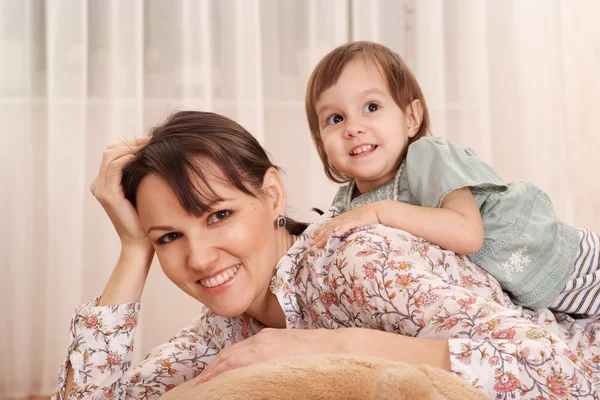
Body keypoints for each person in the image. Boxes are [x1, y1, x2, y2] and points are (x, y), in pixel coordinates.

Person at [52, 111, 598, 400]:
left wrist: (327, 345)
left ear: (272, 194)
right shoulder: (227, 330)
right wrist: (130, 249)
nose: (198, 258)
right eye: (167, 237)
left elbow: (557, 374)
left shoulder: (359, 258)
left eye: (219, 216)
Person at [306, 41, 599, 314]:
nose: (353, 127)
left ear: (410, 118)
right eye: (335, 118)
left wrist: (381, 212)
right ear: (320, 141)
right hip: (535, 296)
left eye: (372, 107)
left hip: (567, 261)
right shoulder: (347, 205)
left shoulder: (425, 157)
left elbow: (467, 234)